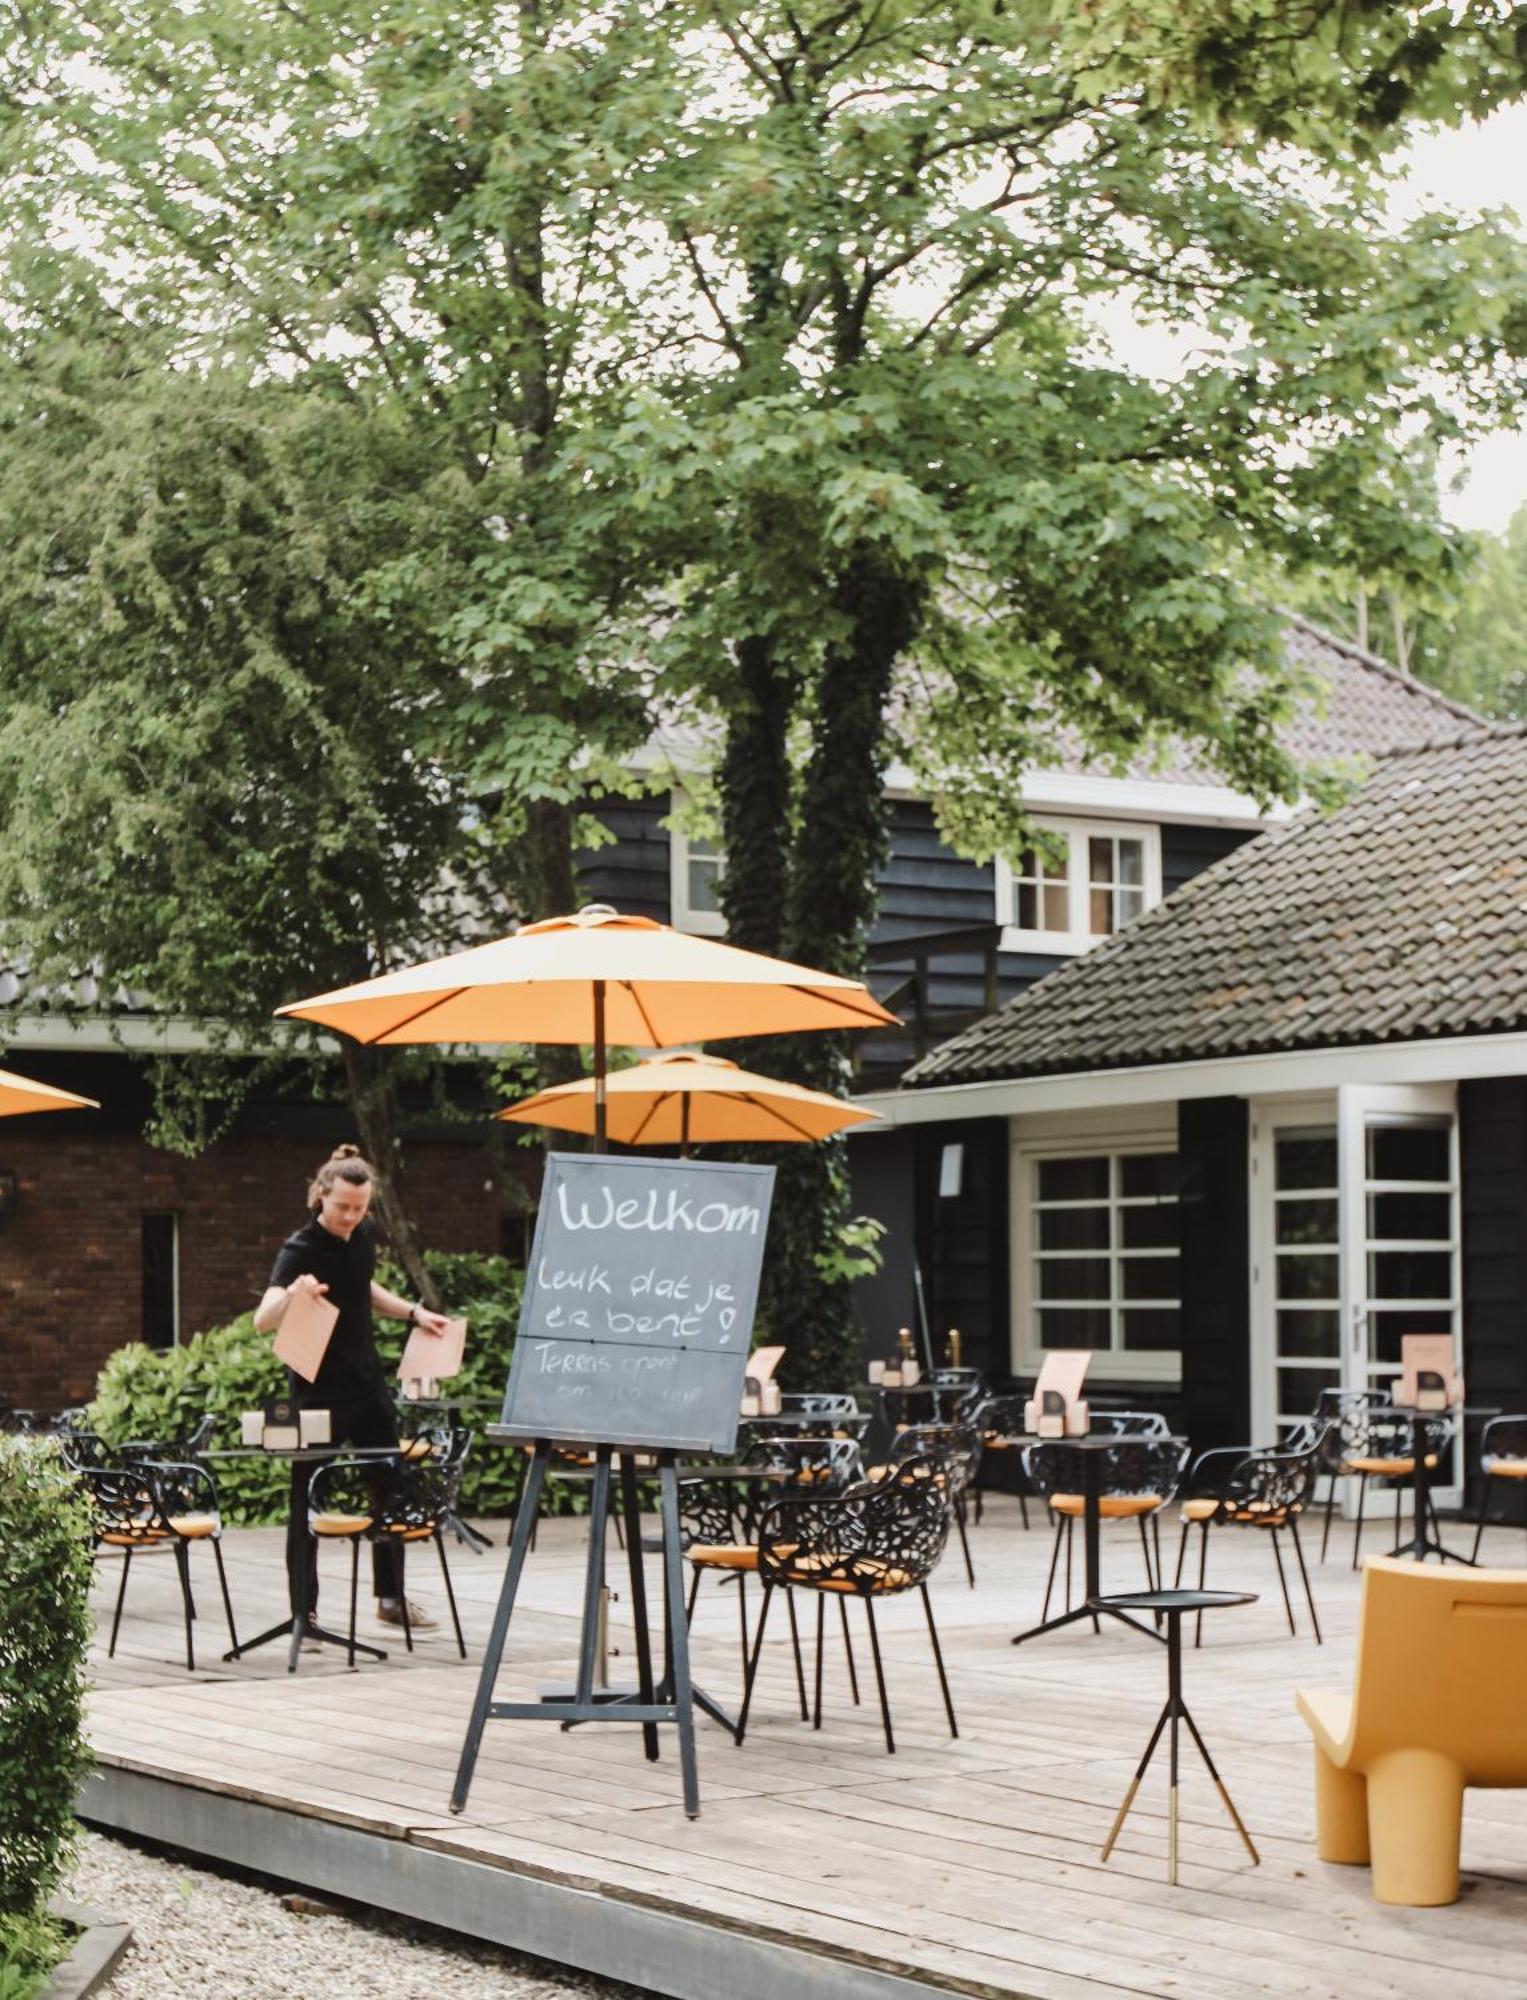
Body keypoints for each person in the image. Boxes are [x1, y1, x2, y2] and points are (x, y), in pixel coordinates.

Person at [254, 1144, 453, 1639]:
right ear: (322, 1195)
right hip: (316, 1394)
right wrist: (296, 1296)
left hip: (367, 1388)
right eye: (343, 1206)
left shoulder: (362, 1236)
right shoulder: (299, 1249)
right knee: (306, 1500)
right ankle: (306, 1611)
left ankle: (390, 1599)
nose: (351, 1216)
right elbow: (263, 1318)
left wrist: (413, 1312)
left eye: (360, 1208)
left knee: (390, 1489)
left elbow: (363, 1286)